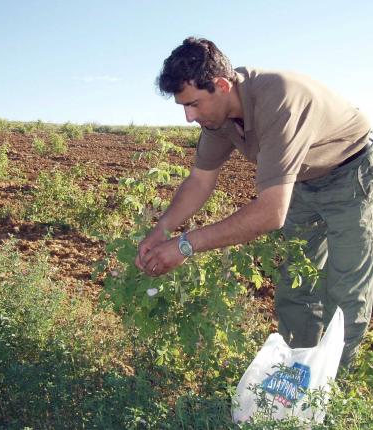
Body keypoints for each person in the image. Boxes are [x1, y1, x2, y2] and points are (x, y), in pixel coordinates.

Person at [134, 37, 372, 368]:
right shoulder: (216, 118)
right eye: (182, 107)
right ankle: (295, 374)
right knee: (297, 285)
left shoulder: (278, 99)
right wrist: (162, 228)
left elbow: (271, 213)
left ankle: (331, 390)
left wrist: (185, 245)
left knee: (345, 290)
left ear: (220, 85)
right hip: (301, 180)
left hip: (351, 171)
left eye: (193, 104)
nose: (188, 117)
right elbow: (200, 180)